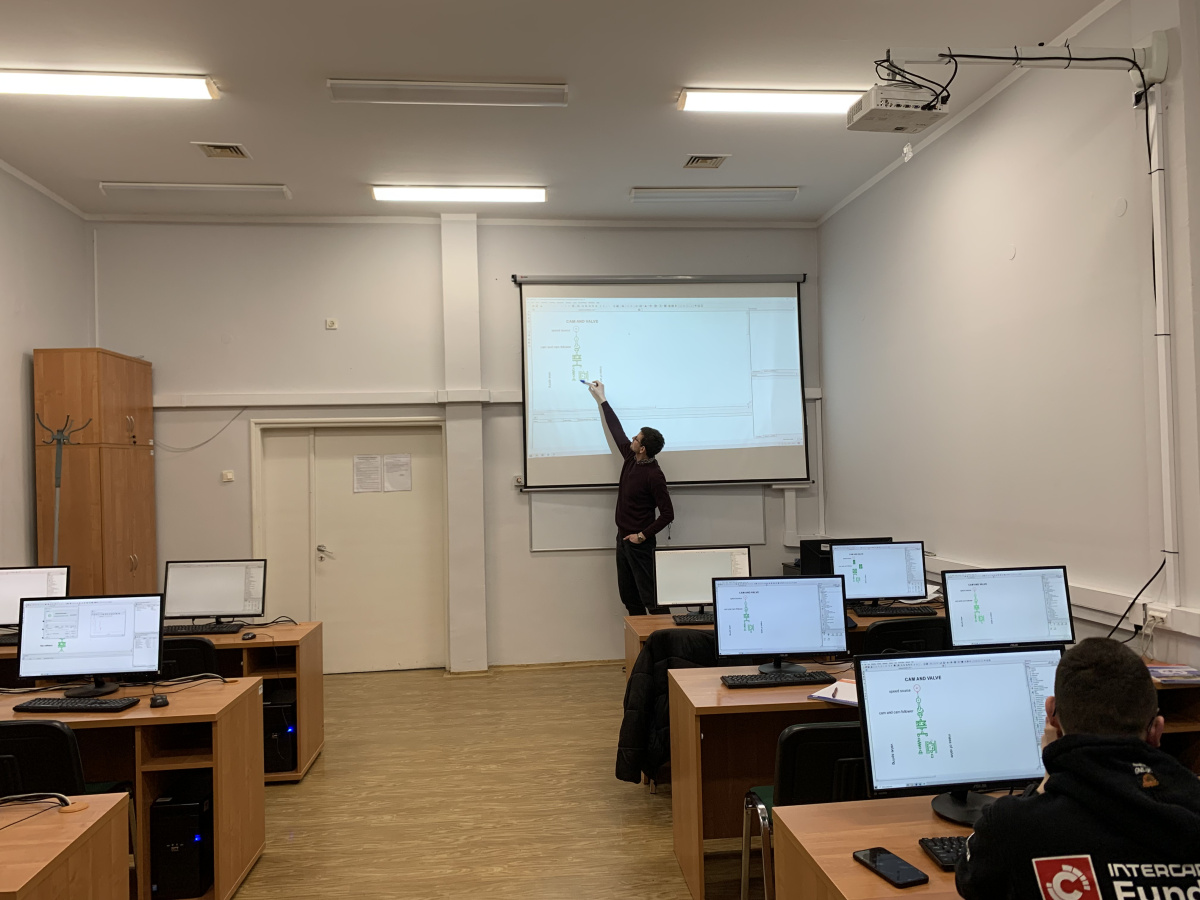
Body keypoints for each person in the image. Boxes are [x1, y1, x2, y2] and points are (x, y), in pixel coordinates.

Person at [956, 637, 1200, 900]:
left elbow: (971, 882)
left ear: (1052, 714)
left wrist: (1048, 777)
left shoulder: (1012, 826)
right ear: (1157, 730)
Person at [587, 381, 673, 616]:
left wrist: (642, 536)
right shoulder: (630, 458)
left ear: (643, 448)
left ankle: (664, 638)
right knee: (630, 600)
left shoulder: (654, 475)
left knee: (653, 601)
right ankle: (641, 640)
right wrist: (602, 398)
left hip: (640, 545)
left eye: (636, 438)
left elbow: (668, 514)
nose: (632, 439)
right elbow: (616, 429)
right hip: (622, 540)